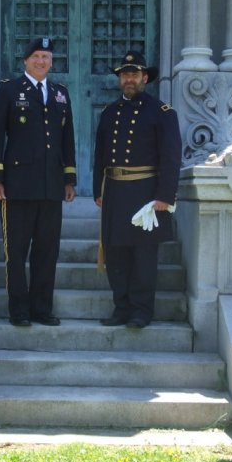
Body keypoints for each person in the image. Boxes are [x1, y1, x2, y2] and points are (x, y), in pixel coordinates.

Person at [0, 37, 77, 327]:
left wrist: (69, 179)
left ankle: (42, 309)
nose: (41, 61)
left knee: (47, 251)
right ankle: (19, 311)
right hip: (18, 187)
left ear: (52, 62)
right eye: (36, 56)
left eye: (46, 57)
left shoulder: (61, 94)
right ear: (25, 60)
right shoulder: (9, 91)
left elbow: (67, 139)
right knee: (16, 252)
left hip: (51, 187)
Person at [93, 51, 181, 329]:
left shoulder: (162, 112)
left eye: (134, 74)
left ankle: (141, 311)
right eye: (124, 74)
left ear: (145, 78)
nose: (128, 79)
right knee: (116, 254)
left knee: (143, 257)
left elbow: (171, 156)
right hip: (116, 193)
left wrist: (165, 195)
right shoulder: (108, 113)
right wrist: (98, 189)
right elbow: (100, 156)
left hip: (146, 194)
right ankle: (121, 308)